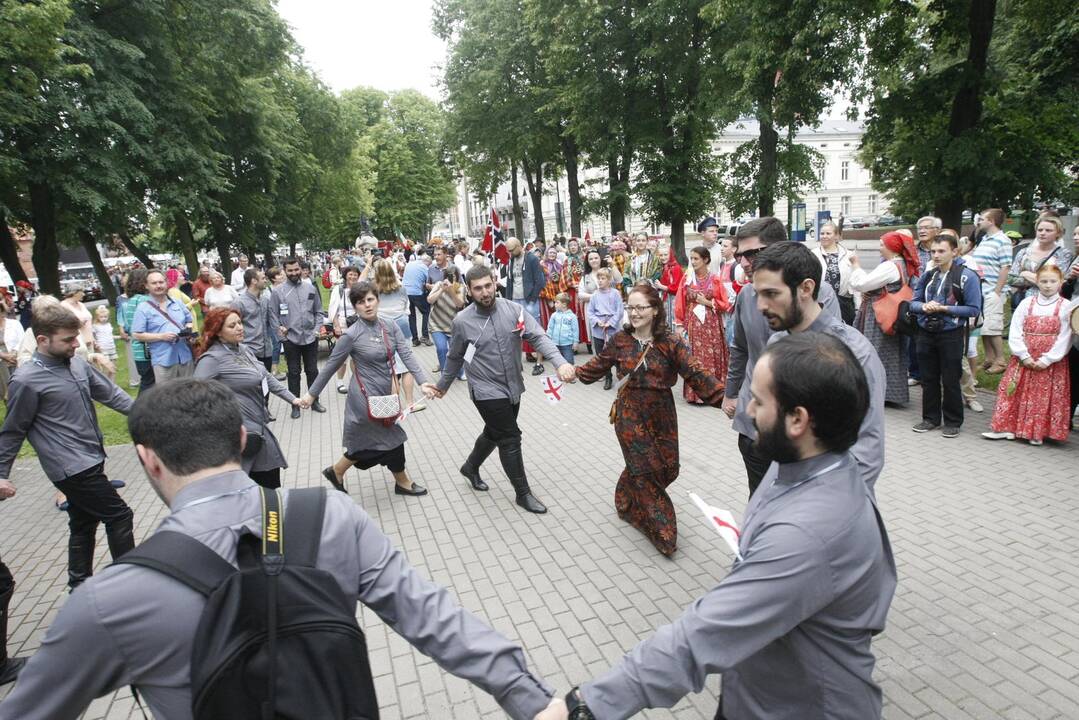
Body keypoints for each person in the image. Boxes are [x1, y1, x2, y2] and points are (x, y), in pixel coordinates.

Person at [0, 378, 564, 720]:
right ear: (243, 442)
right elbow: (432, 616)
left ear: (147, 459)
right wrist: (527, 695)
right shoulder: (331, 516)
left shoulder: (110, 601)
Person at [558, 333, 895, 720]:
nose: (746, 411)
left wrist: (589, 704)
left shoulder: (809, 533)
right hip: (757, 691)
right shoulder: (807, 467)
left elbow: (703, 636)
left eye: (759, 401)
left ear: (798, 419)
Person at [574, 284, 724, 556]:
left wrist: (723, 399)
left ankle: (625, 496)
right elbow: (596, 367)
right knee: (646, 471)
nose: (634, 313)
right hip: (630, 411)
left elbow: (695, 372)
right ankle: (663, 534)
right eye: (630, 307)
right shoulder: (620, 340)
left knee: (668, 466)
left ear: (655, 310)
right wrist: (572, 371)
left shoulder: (670, 341)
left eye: (640, 307)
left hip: (662, 412)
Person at [0, 304, 135, 590]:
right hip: (70, 468)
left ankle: (79, 586)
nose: (77, 343)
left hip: (92, 458)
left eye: (76, 337)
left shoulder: (77, 363)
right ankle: (130, 583)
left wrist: (149, 412)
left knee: (83, 523)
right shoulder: (26, 380)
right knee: (119, 515)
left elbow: (111, 395)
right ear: (42, 340)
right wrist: (1, 473)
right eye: (68, 339)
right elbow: (13, 431)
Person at [431, 266, 576, 514]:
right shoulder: (462, 321)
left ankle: (470, 466)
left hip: (513, 385)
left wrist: (560, 362)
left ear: (495, 282)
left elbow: (539, 336)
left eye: (488, 285)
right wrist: (442, 386)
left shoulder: (514, 310)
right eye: (478, 288)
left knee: (494, 432)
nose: (485, 292)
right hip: (485, 390)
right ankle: (523, 494)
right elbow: (454, 357)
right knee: (510, 438)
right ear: (469, 290)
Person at [752, 242, 887, 492]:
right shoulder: (777, 342)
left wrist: (822, 511)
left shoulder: (854, 353)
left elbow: (867, 452)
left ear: (806, 288)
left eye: (771, 294)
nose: (760, 305)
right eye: (757, 294)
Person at [722, 217, 842, 496]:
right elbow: (739, 348)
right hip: (754, 426)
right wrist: (730, 393)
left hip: (800, 432)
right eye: (740, 254)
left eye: (754, 253)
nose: (744, 262)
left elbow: (830, 358)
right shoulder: (745, 297)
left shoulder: (817, 293)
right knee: (760, 499)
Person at [304, 281, 433, 497]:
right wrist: (311, 395)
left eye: (370, 299)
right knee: (391, 438)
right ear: (355, 307)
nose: (367, 305)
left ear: (378, 300)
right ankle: (403, 482)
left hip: (385, 395)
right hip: (363, 399)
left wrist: (422, 381)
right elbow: (331, 366)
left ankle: (336, 470)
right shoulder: (351, 335)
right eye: (361, 302)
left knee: (373, 442)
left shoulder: (390, 326)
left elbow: (406, 354)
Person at [194, 308, 302, 488]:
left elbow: (265, 376)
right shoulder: (212, 359)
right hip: (238, 436)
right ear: (218, 332)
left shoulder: (244, 349)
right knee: (249, 491)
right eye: (232, 325)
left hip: (258, 428)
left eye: (239, 323)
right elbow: (193, 396)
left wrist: (293, 399)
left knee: (270, 483)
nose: (239, 328)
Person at [983, 265, 1072, 445]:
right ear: (1037, 282)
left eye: (1053, 281)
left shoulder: (1065, 307)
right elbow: (1016, 329)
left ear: (1060, 283)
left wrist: (1048, 359)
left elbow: (1065, 336)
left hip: (1048, 360)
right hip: (1024, 357)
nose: (1048, 285)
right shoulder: (1027, 303)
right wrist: (1023, 354)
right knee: (1012, 390)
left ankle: (1036, 432)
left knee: (1041, 396)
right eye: (1044, 281)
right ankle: (1006, 427)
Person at [909, 235, 983, 438]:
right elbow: (912, 303)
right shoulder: (928, 275)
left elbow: (974, 309)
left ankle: (952, 421)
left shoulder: (967, 276)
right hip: (926, 331)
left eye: (941, 251)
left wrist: (945, 308)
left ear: (955, 252)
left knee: (950, 378)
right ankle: (930, 418)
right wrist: (924, 306)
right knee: (928, 377)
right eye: (933, 251)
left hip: (951, 333)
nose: (936, 255)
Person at [849, 230, 921, 406]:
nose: (879, 248)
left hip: (879, 315)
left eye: (882, 244)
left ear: (892, 247)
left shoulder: (890, 266)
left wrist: (856, 265)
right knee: (891, 353)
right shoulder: (902, 263)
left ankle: (873, 392)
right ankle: (890, 393)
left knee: (874, 351)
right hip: (892, 314)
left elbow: (862, 283)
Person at [673, 246, 730, 405]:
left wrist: (707, 302)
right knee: (695, 356)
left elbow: (725, 304)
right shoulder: (687, 278)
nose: (693, 262)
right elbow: (680, 301)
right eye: (691, 258)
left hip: (711, 324)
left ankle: (715, 390)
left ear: (705, 260)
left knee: (713, 354)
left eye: (696, 258)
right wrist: (679, 323)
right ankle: (696, 394)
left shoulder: (715, 279)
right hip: (694, 323)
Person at [271, 256, 326, 417]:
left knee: (313, 370)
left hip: (310, 337)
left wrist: (317, 330)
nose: (294, 273)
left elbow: (319, 311)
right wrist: (281, 333)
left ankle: (314, 401)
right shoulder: (278, 292)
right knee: (293, 372)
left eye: (296, 269)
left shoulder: (310, 288)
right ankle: (294, 405)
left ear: (301, 269)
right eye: (290, 270)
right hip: (291, 340)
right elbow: (273, 315)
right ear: (285, 271)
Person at [373, 258, 425, 412]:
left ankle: (394, 407)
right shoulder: (401, 288)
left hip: (383, 330)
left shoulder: (373, 290)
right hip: (403, 328)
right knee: (406, 366)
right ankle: (410, 403)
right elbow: (406, 308)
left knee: (391, 370)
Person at [132, 269, 196, 383]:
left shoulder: (177, 303)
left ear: (166, 283)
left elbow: (189, 320)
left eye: (161, 282)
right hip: (163, 359)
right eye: (154, 283)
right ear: (146, 286)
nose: (158, 286)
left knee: (190, 392)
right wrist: (161, 337)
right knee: (167, 396)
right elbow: (137, 335)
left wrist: (188, 330)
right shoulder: (143, 308)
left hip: (185, 356)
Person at [972, 208, 1012, 373]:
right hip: (982, 289)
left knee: (993, 327)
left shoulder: (1002, 240)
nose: (979, 221)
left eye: (982, 219)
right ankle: (989, 359)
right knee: (984, 327)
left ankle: (1001, 361)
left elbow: (1005, 267)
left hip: (993, 291)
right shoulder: (985, 239)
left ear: (992, 221)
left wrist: (997, 291)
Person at [1007, 215, 1072, 307]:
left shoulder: (1064, 254)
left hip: (1049, 303)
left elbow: (1057, 283)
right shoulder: (1024, 252)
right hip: (1022, 302)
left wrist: (1025, 274)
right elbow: (1010, 279)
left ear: (1058, 233)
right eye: (1040, 230)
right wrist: (1043, 281)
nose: (1042, 233)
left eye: (1048, 230)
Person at [504, 238, 547, 373]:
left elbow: (540, 281)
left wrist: (532, 299)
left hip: (529, 300)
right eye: (508, 250)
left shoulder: (532, 259)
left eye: (512, 250)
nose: (510, 252)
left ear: (519, 246)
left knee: (535, 331)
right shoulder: (511, 260)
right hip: (515, 300)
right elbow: (510, 282)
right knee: (515, 332)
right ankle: (516, 363)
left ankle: (539, 363)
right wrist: (507, 300)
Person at [811, 221, 856, 324]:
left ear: (836, 236)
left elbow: (855, 281)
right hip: (820, 302)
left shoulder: (848, 255)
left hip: (844, 303)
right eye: (822, 233)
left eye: (828, 233)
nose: (824, 236)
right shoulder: (813, 254)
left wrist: (858, 305)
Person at [585, 268, 624, 390]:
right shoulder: (595, 295)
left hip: (613, 329)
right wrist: (598, 322)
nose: (600, 281)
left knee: (617, 353)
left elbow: (620, 310)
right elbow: (590, 312)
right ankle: (608, 376)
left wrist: (611, 323)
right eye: (599, 278)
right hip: (599, 330)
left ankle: (621, 376)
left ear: (609, 280)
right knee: (602, 355)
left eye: (603, 279)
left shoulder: (615, 293)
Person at [578, 250, 623, 353]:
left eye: (596, 258)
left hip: (611, 312)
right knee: (599, 346)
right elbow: (581, 294)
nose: (594, 260)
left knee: (615, 349)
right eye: (591, 259)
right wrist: (596, 296)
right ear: (588, 261)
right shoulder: (586, 276)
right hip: (594, 311)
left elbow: (619, 280)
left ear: (600, 258)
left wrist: (612, 265)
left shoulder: (608, 271)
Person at [327, 265, 362, 393]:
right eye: (350, 274)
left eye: (355, 274)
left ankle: (357, 381)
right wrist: (336, 325)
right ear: (345, 275)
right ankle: (340, 382)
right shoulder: (339, 289)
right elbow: (333, 308)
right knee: (342, 356)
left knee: (357, 356)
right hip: (342, 324)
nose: (352, 277)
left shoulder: (360, 289)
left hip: (358, 324)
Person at [428, 265, 467, 376]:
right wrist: (441, 290)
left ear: (457, 277)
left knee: (455, 351)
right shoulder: (438, 285)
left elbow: (460, 304)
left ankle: (459, 372)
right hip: (436, 324)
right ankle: (446, 374)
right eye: (450, 277)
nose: (452, 279)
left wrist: (451, 291)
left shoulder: (461, 287)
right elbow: (429, 300)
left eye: (454, 277)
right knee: (441, 348)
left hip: (453, 326)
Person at [402, 248, 433, 346]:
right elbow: (427, 282)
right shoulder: (425, 267)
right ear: (427, 262)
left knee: (411, 315)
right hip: (416, 293)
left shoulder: (409, 263)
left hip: (405, 292)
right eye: (429, 264)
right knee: (426, 311)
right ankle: (425, 336)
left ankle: (414, 339)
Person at [655, 244, 684, 333]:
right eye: (661, 255)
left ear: (670, 254)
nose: (663, 257)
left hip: (674, 300)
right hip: (667, 299)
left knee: (673, 320)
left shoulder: (675, 268)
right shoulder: (665, 267)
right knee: (666, 320)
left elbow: (676, 287)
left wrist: (661, 287)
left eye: (665, 255)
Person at [546, 292, 579, 365]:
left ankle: (570, 374)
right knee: (557, 362)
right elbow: (550, 328)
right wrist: (548, 338)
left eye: (557, 302)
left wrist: (575, 342)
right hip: (555, 343)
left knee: (569, 361)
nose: (555, 304)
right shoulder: (554, 315)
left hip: (567, 344)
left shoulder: (572, 316)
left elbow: (575, 330)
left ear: (564, 304)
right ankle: (559, 375)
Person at [0, 296, 21, 403]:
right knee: (6, 394)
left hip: (16, 359)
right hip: (1, 362)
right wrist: (3, 355)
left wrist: (14, 353)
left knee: (20, 390)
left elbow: (22, 339)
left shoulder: (14, 323)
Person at [90, 306, 118, 381]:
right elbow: (92, 336)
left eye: (105, 317)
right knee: (106, 367)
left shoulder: (108, 325)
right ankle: (106, 384)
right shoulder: (95, 326)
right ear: (97, 317)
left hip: (112, 348)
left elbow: (111, 336)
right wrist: (96, 344)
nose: (104, 318)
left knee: (113, 367)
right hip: (103, 348)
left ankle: (113, 384)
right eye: (101, 317)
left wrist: (120, 337)